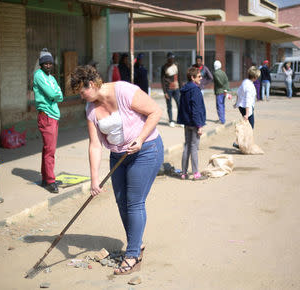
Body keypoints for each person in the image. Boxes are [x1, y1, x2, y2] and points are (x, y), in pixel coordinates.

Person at [70, 65, 164, 275]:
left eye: (81, 91)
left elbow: (156, 111)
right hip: (118, 156)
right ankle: (136, 244)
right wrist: (94, 180)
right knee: (121, 201)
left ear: (92, 84)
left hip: (146, 150)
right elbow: (95, 145)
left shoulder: (123, 91)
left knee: (134, 201)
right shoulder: (91, 110)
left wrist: (139, 139)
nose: (80, 96)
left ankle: (132, 256)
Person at [33, 48, 64, 194]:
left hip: (54, 115)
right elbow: (53, 93)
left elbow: (60, 95)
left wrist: (55, 95)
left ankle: (46, 177)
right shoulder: (38, 75)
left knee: (48, 149)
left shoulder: (51, 78)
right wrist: (55, 95)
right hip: (46, 115)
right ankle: (50, 181)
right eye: (45, 63)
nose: (48, 65)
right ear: (41, 64)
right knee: (50, 150)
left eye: (50, 63)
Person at [177, 67, 207, 181]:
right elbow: (196, 109)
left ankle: (184, 173)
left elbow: (183, 108)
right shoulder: (195, 90)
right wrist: (199, 125)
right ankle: (195, 173)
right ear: (192, 77)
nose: (201, 78)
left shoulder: (185, 89)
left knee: (187, 147)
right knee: (194, 147)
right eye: (199, 76)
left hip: (187, 123)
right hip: (194, 123)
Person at [233, 66, 260, 149]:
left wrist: (236, 103)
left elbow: (238, 92)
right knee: (249, 127)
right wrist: (247, 114)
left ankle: (242, 143)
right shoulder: (249, 86)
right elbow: (248, 100)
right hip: (247, 108)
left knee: (247, 126)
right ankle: (240, 143)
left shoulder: (245, 82)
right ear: (255, 77)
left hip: (242, 106)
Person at [161, 52, 181, 127]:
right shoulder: (164, 67)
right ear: (168, 59)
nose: (172, 60)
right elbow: (162, 80)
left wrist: (181, 89)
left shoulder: (176, 66)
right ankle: (171, 120)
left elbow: (179, 78)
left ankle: (180, 120)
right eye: (170, 58)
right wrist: (164, 92)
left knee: (179, 104)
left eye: (173, 58)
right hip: (168, 89)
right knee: (169, 105)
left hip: (176, 88)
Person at [212, 60, 230, 124]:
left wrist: (222, 87)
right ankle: (223, 118)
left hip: (219, 91)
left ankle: (221, 119)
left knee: (219, 105)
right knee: (222, 105)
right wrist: (226, 89)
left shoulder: (215, 73)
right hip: (224, 91)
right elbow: (226, 81)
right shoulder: (223, 72)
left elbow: (219, 82)